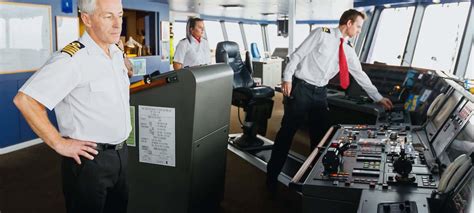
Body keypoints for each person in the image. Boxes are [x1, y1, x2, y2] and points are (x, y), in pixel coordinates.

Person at [13, 0, 131, 212]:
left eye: (120, 15)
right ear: (87, 19)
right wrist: (59, 143)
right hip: (90, 161)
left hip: (121, 155)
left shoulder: (114, 53)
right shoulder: (72, 59)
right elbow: (26, 100)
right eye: (108, 16)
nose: (117, 24)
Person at [266, 9, 393, 193]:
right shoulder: (322, 34)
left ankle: (311, 183)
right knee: (286, 134)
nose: (358, 31)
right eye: (357, 26)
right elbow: (297, 55)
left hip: (320, 94)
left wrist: (379, 98)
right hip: (302, 89)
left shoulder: (348, 50)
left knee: (320, 140)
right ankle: (271, 178)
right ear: (348, 23)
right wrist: (287, 77)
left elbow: (360, 75)